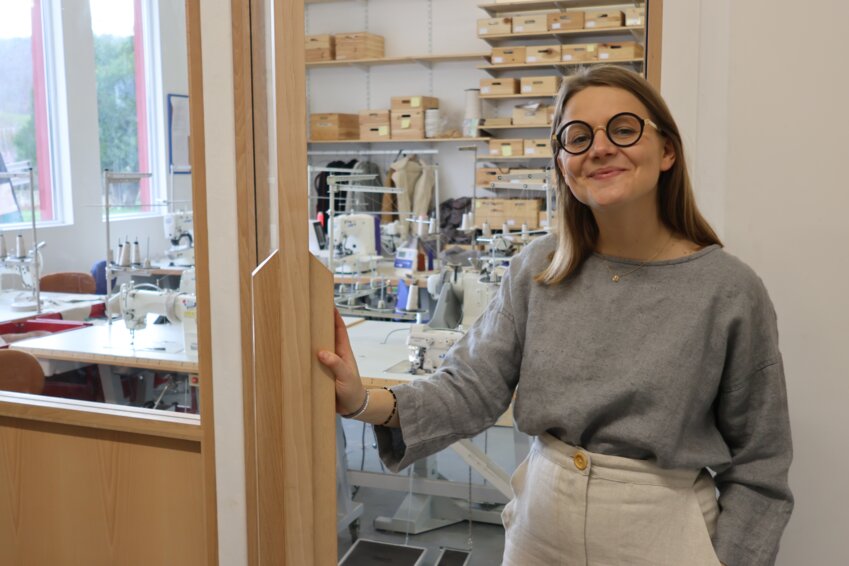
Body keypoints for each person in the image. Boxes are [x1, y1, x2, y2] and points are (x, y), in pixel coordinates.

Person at [319, 66, 793, 566]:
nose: (600, 147)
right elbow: (469, 389)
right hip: (541, 536)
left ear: (667, 151)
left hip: (664, 541)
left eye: (624, 129)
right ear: (563, 164)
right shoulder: (538, 269)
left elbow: (761, 466)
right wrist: (362, 400)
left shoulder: (729, 290)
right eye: (577, 137)